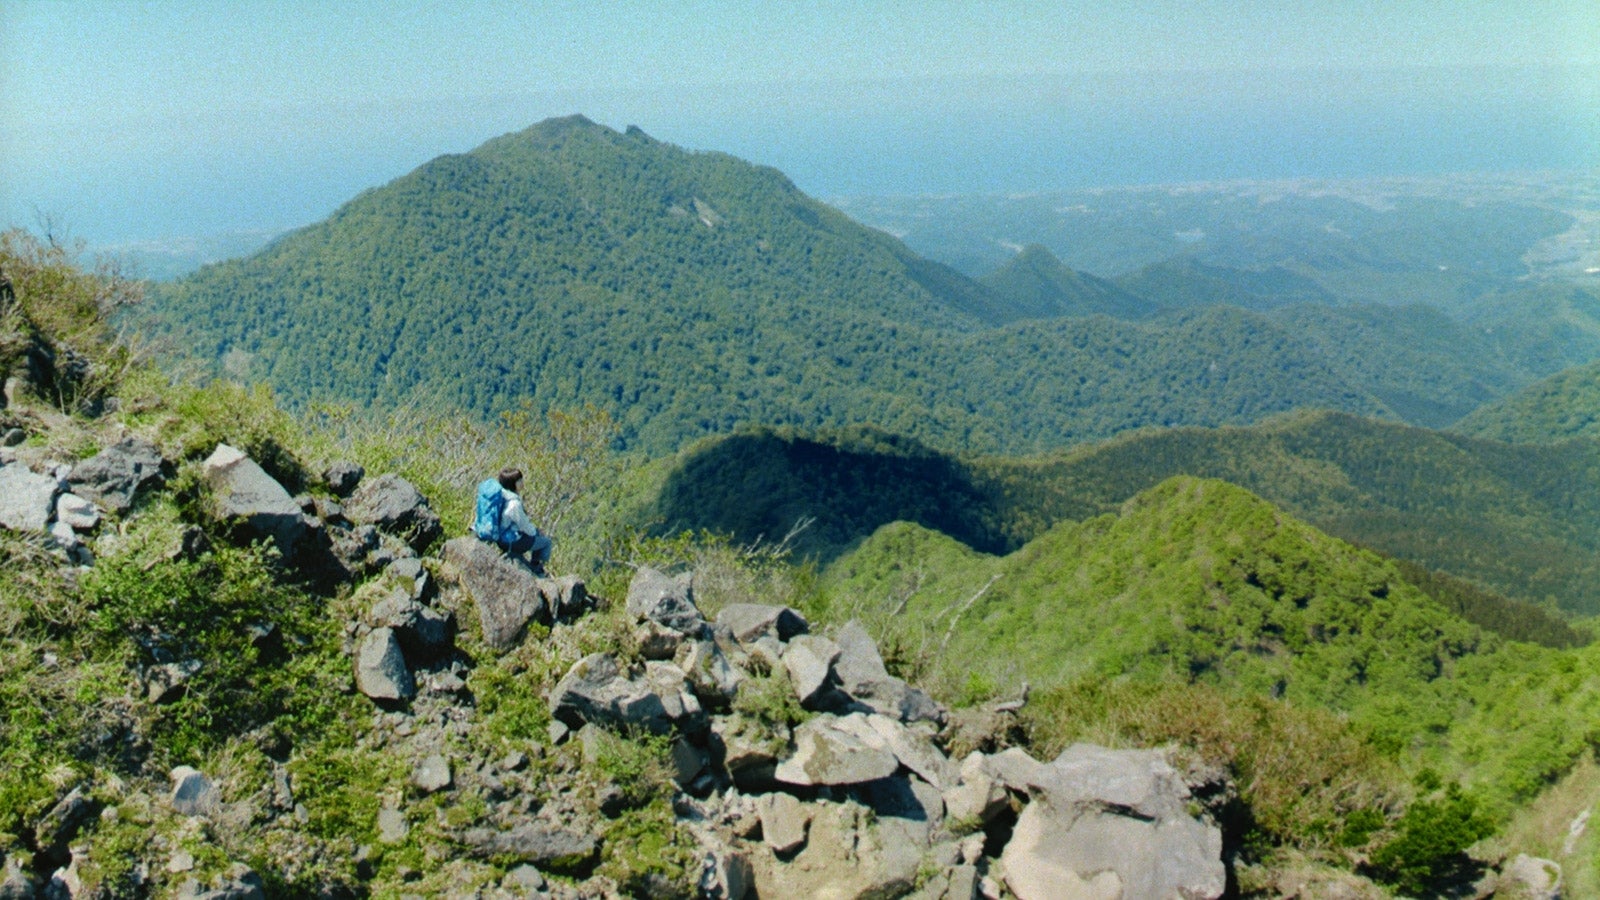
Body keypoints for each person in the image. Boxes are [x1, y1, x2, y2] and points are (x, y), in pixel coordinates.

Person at [489, 467, 552, 574]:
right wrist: (537, 532)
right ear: (513, 484)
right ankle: (537, 568)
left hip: (501, 539)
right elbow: (525, 526)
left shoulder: (501, 496)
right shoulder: (514, 504)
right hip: (511, 541)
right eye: (519, 480)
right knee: (546, 542)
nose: (522, 482)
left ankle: (532, 566)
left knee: (536, 536)